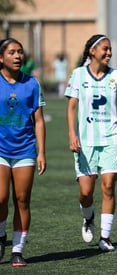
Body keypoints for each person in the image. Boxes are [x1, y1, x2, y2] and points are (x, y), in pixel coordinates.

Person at [65, 34, 117, 252]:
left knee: (108, 186)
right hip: (85, 142)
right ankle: (88, 217)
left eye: (110, 49)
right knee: (86, 193)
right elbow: (72, 107)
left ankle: (105, 237)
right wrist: (72, 134)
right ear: (92, 51)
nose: (109, 53)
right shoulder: (77, 75)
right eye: (105, 49)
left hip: (112, 139)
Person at [0, 38, 46, 267]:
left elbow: (38, 121)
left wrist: (41, 152)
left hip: (25, 149)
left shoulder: (32, 84)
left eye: (20, 52)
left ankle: (17, 250)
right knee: (0, 198)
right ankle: (1, 235)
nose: (18, 56)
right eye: (12, 52)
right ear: (1, 58)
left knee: (22, 200)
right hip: (0, 149)